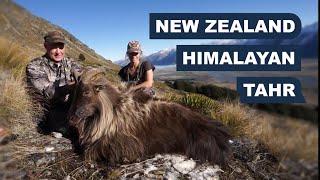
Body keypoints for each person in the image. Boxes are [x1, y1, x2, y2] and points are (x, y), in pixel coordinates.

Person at [26, 30, 82, 134]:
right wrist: (71, 86)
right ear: (46, 46)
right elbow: (48, 93)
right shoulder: (34, 66)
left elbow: (82, 75)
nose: (58, 51)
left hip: (70, 108)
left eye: (61, 47)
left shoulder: (71, 63)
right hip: (48, 111)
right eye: (53, 47)